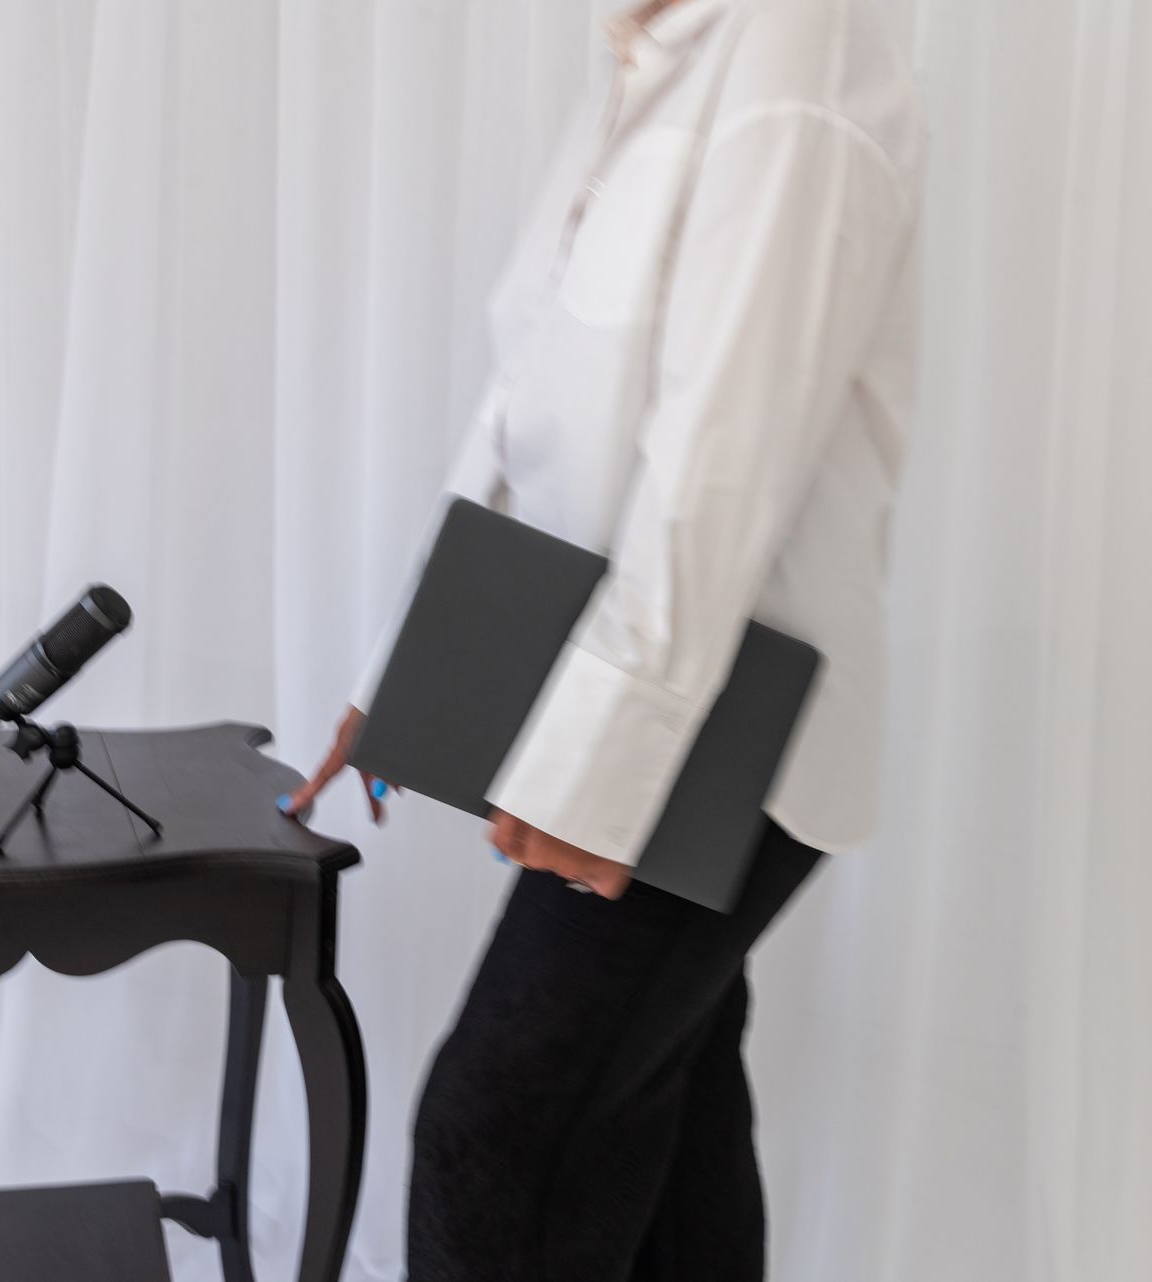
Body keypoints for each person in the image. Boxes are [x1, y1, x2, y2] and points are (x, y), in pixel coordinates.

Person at [284, 0, 927, 1276]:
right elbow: (530, 406)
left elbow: (720, 462)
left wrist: (604, 781)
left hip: (729, 718)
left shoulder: (796, 52)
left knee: (497, 1129)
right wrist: (411, 679)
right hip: (650, 694)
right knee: (658, 1107)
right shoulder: (647, 65)